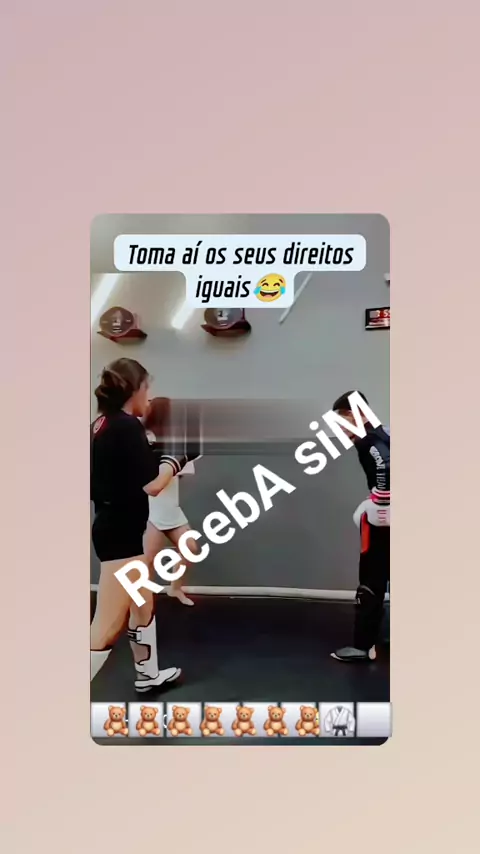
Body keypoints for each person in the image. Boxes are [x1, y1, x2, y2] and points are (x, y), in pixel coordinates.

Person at [90, 358, 184, 692]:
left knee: (143, 603)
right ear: (135, 389)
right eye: (147, 387)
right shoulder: (127, 426)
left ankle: (148, 674)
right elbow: (153, 485)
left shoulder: (101, 424)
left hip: (115, 529)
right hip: (120, 536)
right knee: (104, 629)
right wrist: (176, 459)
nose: (150, 395)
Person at [330, 391, 390, 663]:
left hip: (383, 523)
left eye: (343, 419)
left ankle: (363, 646)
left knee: (371, 579)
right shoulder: (384, 433)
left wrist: (381, 502)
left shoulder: (368, 440)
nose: (341, 427)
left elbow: (385, 465)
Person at [142, 397, 202, 607]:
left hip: (170, 506)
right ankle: (141, 603)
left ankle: (175, 588)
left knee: (190, 547)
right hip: (151, 507)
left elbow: (181, 468)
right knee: (148, 559)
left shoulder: (173, 441)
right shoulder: (146, 438)